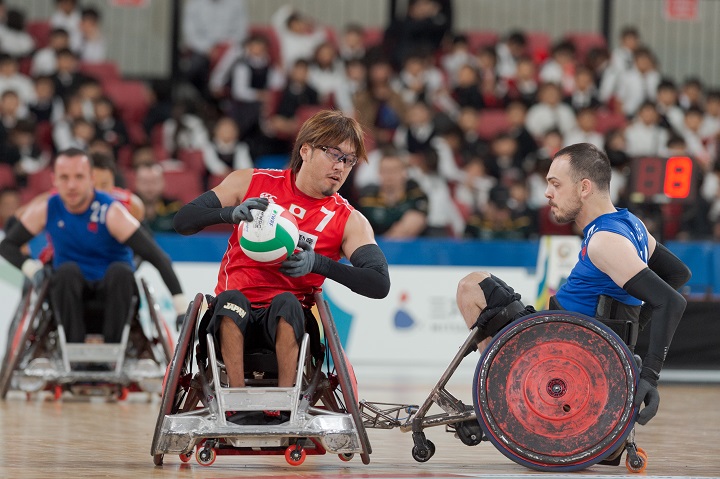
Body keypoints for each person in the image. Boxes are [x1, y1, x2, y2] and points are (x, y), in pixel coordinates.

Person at [455, 143, 690, 426]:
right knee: (489, 288)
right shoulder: (631, 224)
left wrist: (649, 376)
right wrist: (631, 333)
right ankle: (506, 398)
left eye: (555, 184)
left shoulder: (605, 241)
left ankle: (507, 404)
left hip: (558, 354)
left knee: (471, 287)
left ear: (584, 188)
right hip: (565, 341)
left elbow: (671, 300)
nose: (547, 193)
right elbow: (678, 274)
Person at [173, 110, 390, 415]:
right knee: (231, 301)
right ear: (306, 150)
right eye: (334, 154)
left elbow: (379, 282)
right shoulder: (250, 182)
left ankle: (285, 406)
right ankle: (235, 403)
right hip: (233, 312)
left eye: (349, 160)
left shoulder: (349, 220)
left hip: (290, 320)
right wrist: (227, 214)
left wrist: (320, 264)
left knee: (287, 302)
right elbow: (183, 221)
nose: (340, 166)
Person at [0, 148, 187, 344]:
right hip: (70, 292)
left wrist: (181, 307)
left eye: (78, 177)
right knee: (64, 272)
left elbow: (157, 256)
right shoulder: (47, 207)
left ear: (90, 179)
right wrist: (32, 269)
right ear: (54, 180)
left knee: (121, 272)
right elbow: (7, 245)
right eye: (64, 178)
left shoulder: (112, 211)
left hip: (113, 293)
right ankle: (72, 349)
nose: (72, 185)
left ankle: (114, 349)